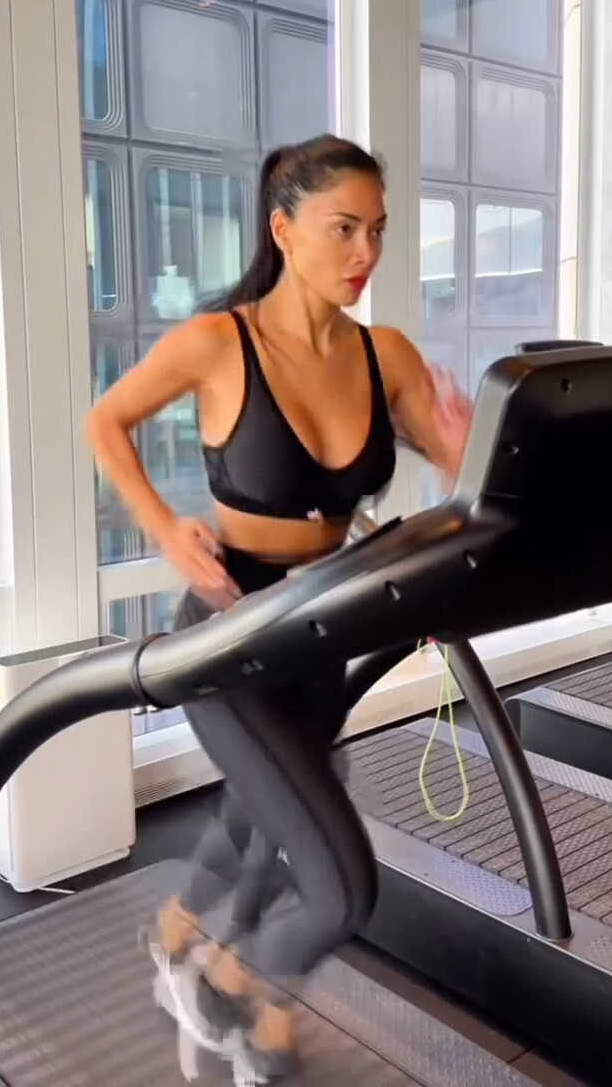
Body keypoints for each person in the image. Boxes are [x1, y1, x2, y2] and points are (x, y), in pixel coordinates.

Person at [85, 134, 471, 1083]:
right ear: (285, 230)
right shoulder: (219, 343)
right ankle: (232, 983)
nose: (365, 252)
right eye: (344, 228)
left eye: (378, 230)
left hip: (319, 630)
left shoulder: (385, 354)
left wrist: (465, 450)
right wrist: (164, 526)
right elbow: (106, 421)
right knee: (333, 881)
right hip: (228, 629)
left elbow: (459, 472)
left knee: (264, 811)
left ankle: (179, 931)